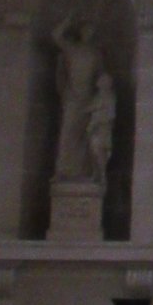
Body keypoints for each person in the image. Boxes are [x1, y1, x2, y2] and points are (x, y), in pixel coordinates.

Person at [51, 16, 106, 181]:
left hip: (89, 99)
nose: (87, 33)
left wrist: (101, 98)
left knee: (86, 136)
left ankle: (85, 173)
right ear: (80, 32)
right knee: (67, 134)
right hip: (72, 98)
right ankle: (64, 171)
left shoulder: (96, 54)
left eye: (90, 31)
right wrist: (66, 20)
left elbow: (102, 78)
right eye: (85, 30)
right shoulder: (71, 48)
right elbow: (55, 36)